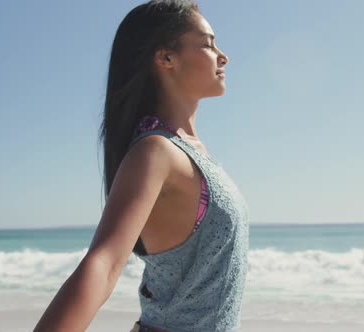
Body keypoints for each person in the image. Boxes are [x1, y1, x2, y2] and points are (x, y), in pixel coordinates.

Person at [34, 0, 249, 331]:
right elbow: (103, 264)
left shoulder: (191, 152)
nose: (223, 55)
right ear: (165, 58)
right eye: (208, 44)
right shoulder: (155, 152)